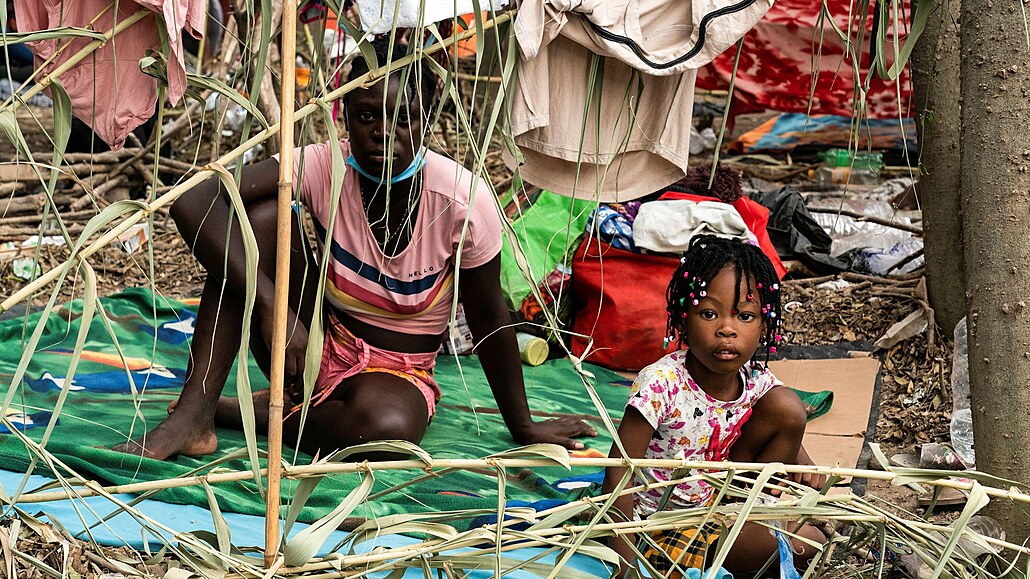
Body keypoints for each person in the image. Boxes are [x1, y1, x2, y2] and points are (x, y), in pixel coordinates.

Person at [114, 38, 596, 460]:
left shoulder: (461, 202)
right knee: (255, 222)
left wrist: (523, 424)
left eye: (403, 118)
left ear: (428, 118)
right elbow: (194, 198)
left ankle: (256, 416)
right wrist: (269, 307)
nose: (384, 132)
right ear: (345, 117)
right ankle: (194, 414)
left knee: (388, 430)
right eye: (367, 116)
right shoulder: (327, 165)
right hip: (305, 344)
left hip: (395, 376)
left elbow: (490, 318)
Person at [602, 235, 826, 577]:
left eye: (745, 317)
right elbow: (618, 471)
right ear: (681, 320)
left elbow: (788, 423)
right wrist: (625, 563)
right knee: (794, 545)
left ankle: (750, 525)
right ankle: (743, 545)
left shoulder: (754, 380)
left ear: (765, 327)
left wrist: (805, 464)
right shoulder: (662, 384)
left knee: (788, 408)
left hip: (724, 509)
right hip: (663, 527)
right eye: (709, 313)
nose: (726, 329)